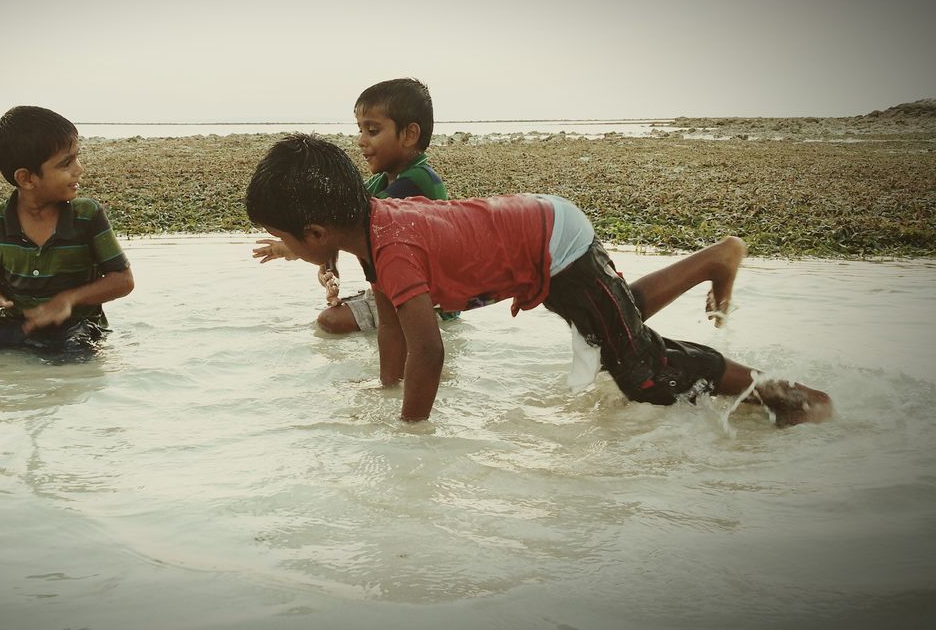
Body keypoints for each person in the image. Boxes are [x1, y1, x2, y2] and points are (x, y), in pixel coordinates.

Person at [244, 134, 833, 427]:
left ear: (317, 233)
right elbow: (392, 326)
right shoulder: (373, 232)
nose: (287, 246)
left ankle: (786, 396)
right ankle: (713, 260)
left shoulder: (390, 247)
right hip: (539, 235)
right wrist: (385, 387)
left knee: (640, 372)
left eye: (284, 235)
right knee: (613, 321)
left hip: (554, 244)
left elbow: (429, 348)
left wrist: (411, 432)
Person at [253, 78, 458, 334]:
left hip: (432, 301)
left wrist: (291, 246)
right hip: (399, 285)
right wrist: (330, 268)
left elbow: (351, 221)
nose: (361, 140)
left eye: (372, 131)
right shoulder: (378, 182)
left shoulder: (420, 180)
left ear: (409, 134)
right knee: (334, 316)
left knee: (330, 321)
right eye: (360, 129)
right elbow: (340, 219)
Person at [0, 105, 134, 353]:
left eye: (76, 158)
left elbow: (123, 280)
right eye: (66, 163)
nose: (79, 169)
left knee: (72, 351)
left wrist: (69, 300)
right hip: (19, 325)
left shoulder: (88, 216)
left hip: (77, 328)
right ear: (26, 179)